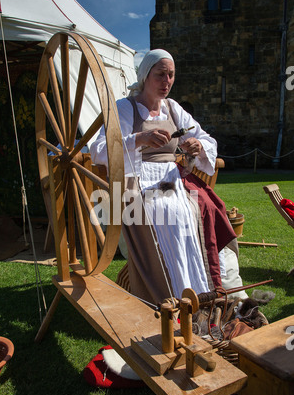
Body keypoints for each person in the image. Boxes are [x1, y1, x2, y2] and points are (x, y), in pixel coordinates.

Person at [89, 49, 236, 307]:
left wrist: (197, 146)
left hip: (172, 179)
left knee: (206, 208)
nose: (166, 81)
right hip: (137, 181)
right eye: (160, 75)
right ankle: (171, 293)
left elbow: (204, 137)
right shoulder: (125, 108)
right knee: (167, 211)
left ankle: (205, 287)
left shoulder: (173, 108)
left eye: (171, 75)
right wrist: (138, 139)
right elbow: (99, 148)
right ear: (145, 75)